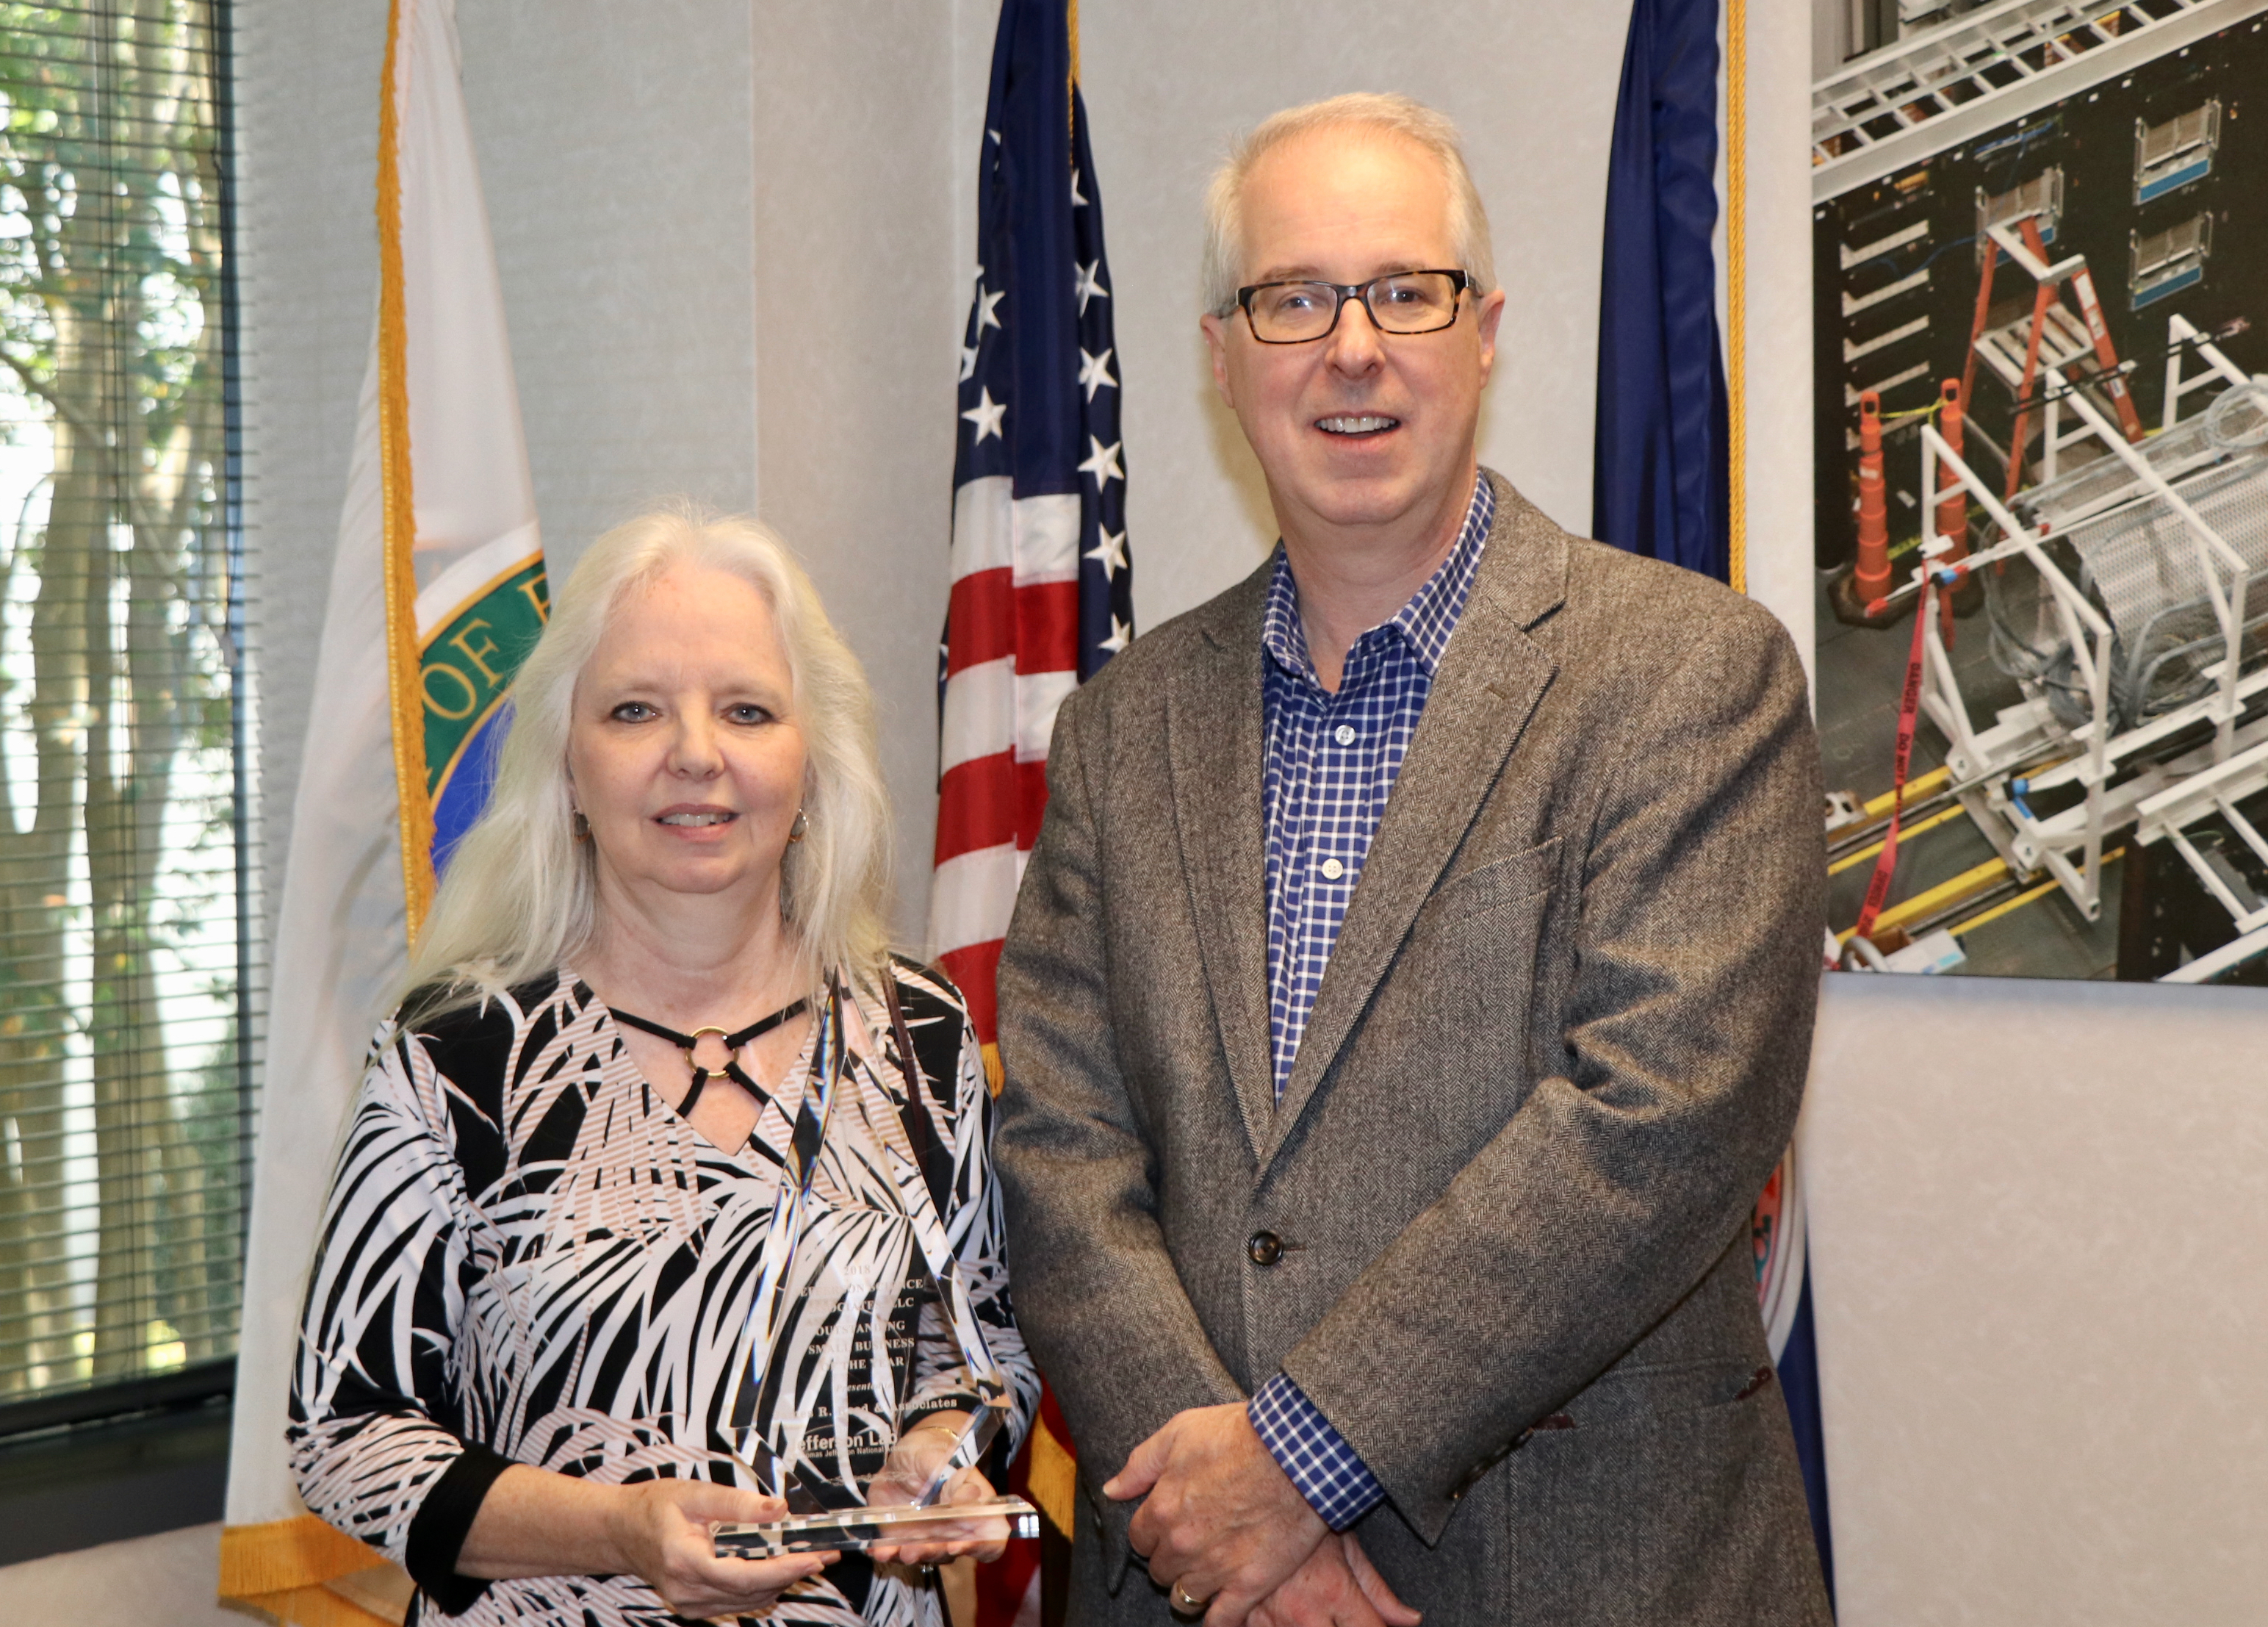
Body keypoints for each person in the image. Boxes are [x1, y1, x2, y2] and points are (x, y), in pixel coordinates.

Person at [993, 93, 1828, 1627]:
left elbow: (1654, 1123)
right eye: (1292, 298)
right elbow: (1058, 1148)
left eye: (1403, 291)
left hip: (1593, 1573)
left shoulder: (1690, 674)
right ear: (1220, 350)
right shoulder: (1119, 730)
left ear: (1483, 331)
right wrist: (1225, 1512)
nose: (1350, 347)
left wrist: (1294, 1463)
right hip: (1199, 1585)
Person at [290, 508, 1038, 1627]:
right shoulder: (456, 1052)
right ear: (569, 768)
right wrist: (618, 1529)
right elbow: (344, 1432)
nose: (696, 751)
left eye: (746, 708)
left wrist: (937, 1451)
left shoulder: (919, 1028)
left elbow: (979, 1343)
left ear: (810, 764)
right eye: (636, 709)